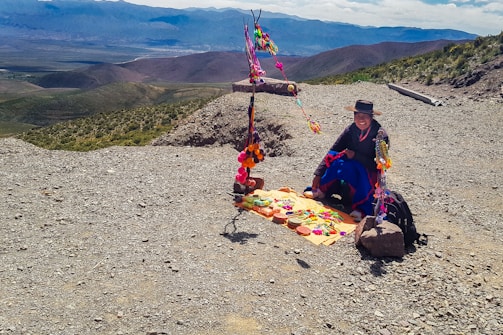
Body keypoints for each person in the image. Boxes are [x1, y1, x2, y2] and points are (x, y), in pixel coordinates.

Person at [304, 100, 389, 222]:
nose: (361, 119)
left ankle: (361, 208)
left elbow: (380, 165)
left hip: (369, 171)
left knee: (357, 169)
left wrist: (356, 156)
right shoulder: (351, 129)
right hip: (352, 164)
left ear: (371, 117)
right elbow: (334, 150)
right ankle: (322, 190)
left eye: (365, 116)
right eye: (358, 116)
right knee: (336, 160)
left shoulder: (380, 135)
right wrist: (318, 173)